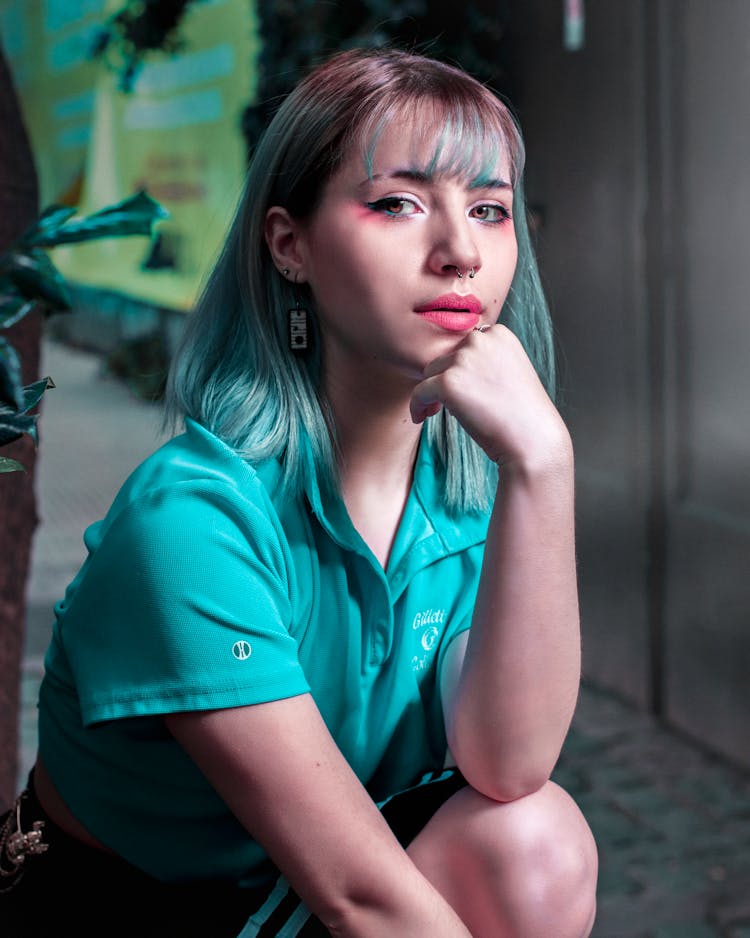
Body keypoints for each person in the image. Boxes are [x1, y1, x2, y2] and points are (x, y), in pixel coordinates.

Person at [1, 47, 598, 937]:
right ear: (290, 245)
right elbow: (364, 901)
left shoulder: (480, 489)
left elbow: (509, 767)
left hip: (302, 895)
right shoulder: (195, 521)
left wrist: (543, 468)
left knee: (534, 842)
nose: (460, 251)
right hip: (136, 910)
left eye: (488, 209)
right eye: (398, 202)